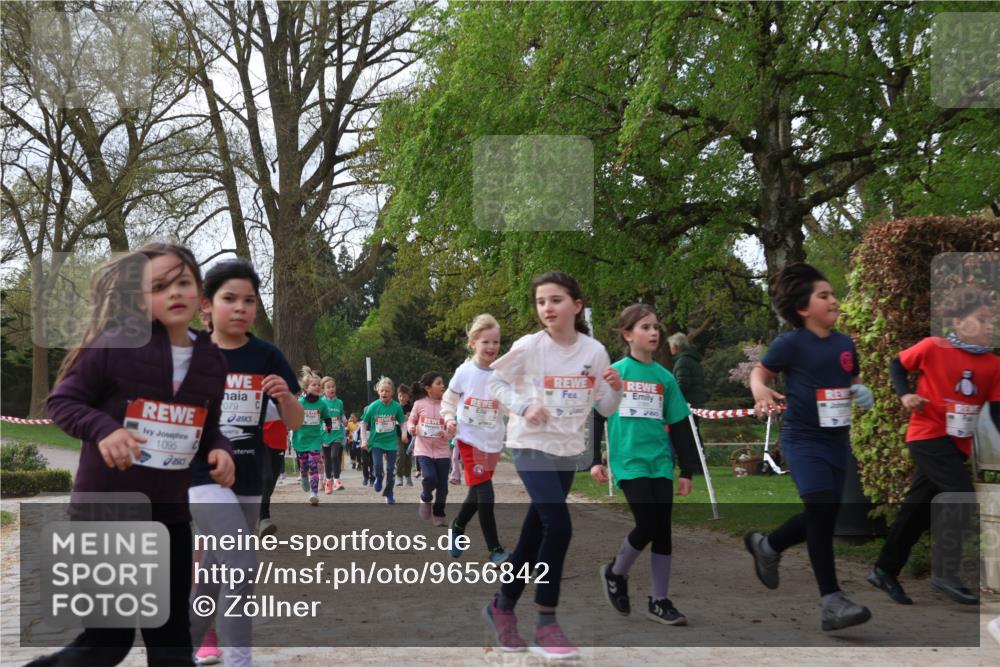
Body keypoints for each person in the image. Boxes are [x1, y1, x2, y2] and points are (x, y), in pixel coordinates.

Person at [32, 242, 235, 667]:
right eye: (159, 286)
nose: (174, 292)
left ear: (200, 292)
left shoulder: (211, 358)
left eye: (182, 281)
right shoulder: (116, 344)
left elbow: (208, 423)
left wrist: (219, 450)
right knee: (108, 643)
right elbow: (63, 403)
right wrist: (104, 429)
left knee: (173, 644)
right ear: (139, 301)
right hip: (109, 513)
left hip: (171, 517)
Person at [482, 271, 622, 659]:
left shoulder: (594, 352)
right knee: (558, 526)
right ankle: (547, 624)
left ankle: (502, 606)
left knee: (533, 535)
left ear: (576, 306)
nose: (547, 308)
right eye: (541, 301)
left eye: (556, 300)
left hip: (566, 450)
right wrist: (526, 406)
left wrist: (616, 387)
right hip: (529, 445)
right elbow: (495, 382)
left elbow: (606, 407)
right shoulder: (529, 346)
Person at [744, 262, 875, 632]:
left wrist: (859, 389)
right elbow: (760, 372)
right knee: (820, 509)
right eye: (824, 295)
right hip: (803, 440)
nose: (833, 300)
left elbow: (853, 377)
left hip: (837, 441)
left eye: (832, 294)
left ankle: (767, 546)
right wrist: (760, 390)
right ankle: (832, 601)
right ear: (804, 309)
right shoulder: (791, 344)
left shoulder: (844, 343)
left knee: (824, 515)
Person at [190, 259, 303, 666]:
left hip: (249, 477)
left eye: (249, 300)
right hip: (199, 478)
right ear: (206, 304)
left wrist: (286, 399)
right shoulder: (189, 352)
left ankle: (183, 646)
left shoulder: (266, 355)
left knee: (214, 570)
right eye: (229, 299)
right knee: (239, 559)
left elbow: (294, 422)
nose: (240, 308)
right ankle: (240, 659)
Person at [869, 286, 1000, 606]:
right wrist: (905, 395)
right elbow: (896, 365)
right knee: (962, 496)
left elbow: (997, 414)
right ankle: (946, 573)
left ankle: (884, 569)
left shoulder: (994, 365)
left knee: (916, 512)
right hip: (927, 436)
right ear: (958, 321)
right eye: (981, 319)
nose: (989, 326)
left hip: (957, 445)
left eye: (992, 320)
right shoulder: (933, 347)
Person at [593, 304, 701, 626]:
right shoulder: (616, 372)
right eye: (645, 327)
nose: (654, 332)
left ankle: (659, 600)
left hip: (659, 463)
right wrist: (592, 462)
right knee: (648, 524)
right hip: (628, 461)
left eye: (656, 327)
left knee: (663, 529)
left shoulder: (665, 378)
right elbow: (596, 415)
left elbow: (681, 425)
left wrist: (687, 470)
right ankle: (616, 572)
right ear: (628, 335)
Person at [442, 314, 511, 563]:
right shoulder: (465, 372)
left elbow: (509, 402)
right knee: (486, 493)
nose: (492, 347)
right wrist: (449, 418)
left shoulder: (503, 372)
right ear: (473, 343)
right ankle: (495, 550)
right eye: (486, 342)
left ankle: (458, 526)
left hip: (492, 439)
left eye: (496, 342)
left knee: (477, 490)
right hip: (469, 439)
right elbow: (449, 399)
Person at [408, 371, 451, 526]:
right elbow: (411, 421)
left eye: (443, 383)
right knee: (430, 478)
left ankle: (439, 514)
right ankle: (426, 498)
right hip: (423, 449)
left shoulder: (447, 405)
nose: (443, 386)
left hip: (442, 451)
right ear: (428, 388)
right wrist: (412, 428)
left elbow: (453, 427)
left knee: (443, 487)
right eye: (438, 383)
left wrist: (445, 433)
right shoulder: (419, 404)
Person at [361, 377, 406, 504]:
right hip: (376, 442)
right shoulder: (373, 406)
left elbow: (403, 422)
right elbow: (363, 423)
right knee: (378, 465)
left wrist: (403, 434)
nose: (384, 393)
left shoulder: (396, 407)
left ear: (392, 392)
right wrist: (364, 440)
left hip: (391, 442)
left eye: (387, 391)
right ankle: (379, 478)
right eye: (382, 391)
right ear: (378, 391)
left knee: (391, 469)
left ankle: (389, 493)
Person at [293, 367, 333, 505]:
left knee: (313, 464)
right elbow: (292, 417)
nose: (317, 387)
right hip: (301, 439)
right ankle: (303, 475)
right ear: (306, 388)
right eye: (313, 385)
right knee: (304, 465)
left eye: (318, 385)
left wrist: (328, 426)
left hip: (315, 439)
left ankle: (314, 493)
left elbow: (327, 417)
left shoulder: (322, 404)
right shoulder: (300, 403)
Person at [320, 377, 347, 492]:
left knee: (334, 456)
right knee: (327, 459)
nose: (331, 389)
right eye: (328, 387)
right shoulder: (321, 402)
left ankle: (336, 480)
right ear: (323, 390)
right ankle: (328, 481)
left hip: (337, 434)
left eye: (333, 387)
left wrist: (344, 420)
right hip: (325, 434)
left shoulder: (339, 402)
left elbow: (342, 415)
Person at [396, 384, 415, 486]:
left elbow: (415, 419)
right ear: (398, 396)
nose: (402, 398)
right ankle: (399, 476)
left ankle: (408, 476)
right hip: (397, 435)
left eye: (404, 396)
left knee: (408, 456)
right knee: (401, 454)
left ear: (408, 397)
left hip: (409, 435)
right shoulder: (395, 407)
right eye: (400, 396)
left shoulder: (412, 408)